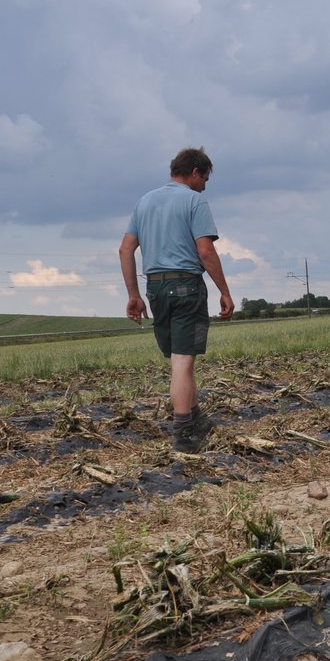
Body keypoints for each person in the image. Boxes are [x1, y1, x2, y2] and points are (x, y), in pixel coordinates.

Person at [120, 147, 235, 452]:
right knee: (183, 362)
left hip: (155, 288)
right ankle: (183, 434)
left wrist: (133, 295)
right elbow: (206, 252)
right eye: (205, 178)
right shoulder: (195, 200)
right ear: (195, 172)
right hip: (186, 285)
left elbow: (125, 250)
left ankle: (196, 417)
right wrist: (225, 291)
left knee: (179, 359)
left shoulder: (144, 202)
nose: (205, 186)